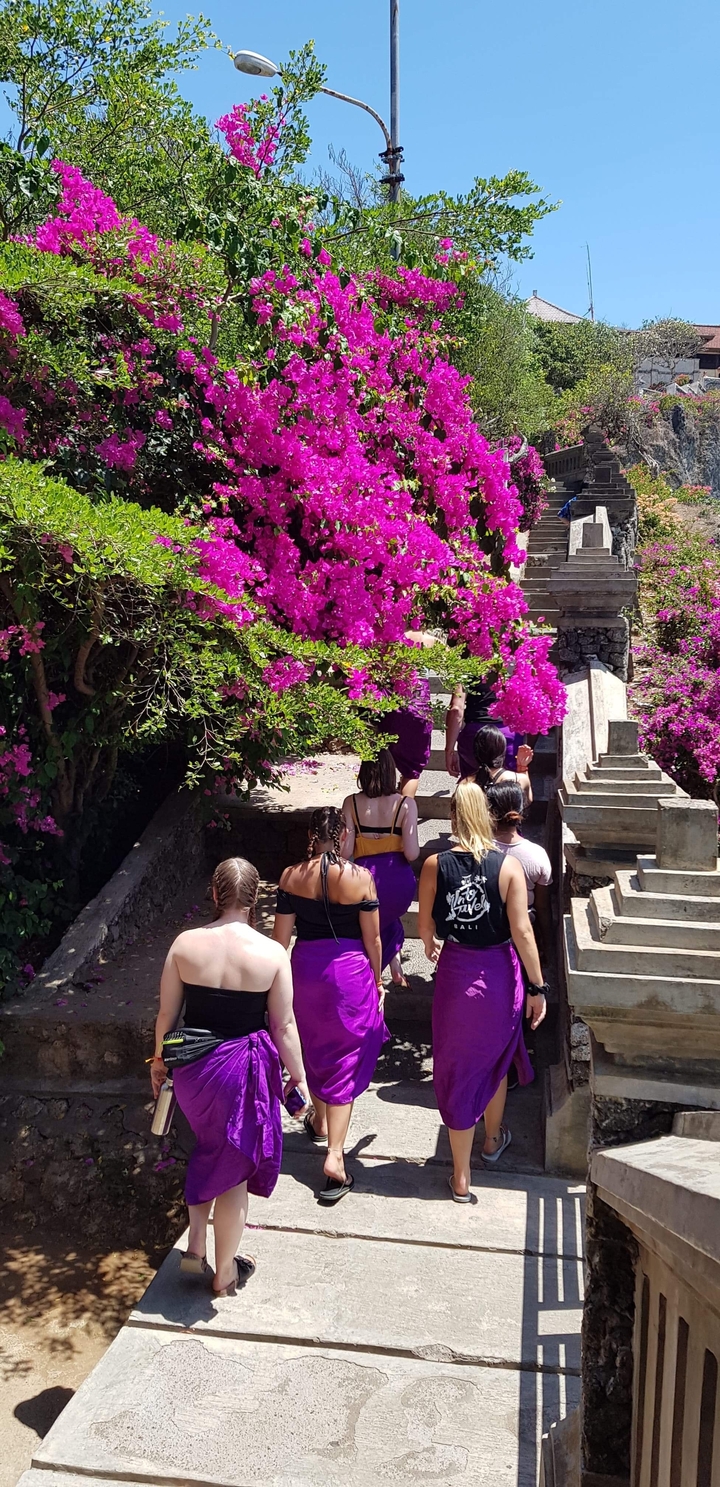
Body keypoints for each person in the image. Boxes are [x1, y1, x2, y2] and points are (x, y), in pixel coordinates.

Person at [151, 857, 308, 1298]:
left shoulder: (184, 945)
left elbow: (166, 1015)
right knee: (234, 1169)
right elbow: (284, 1026)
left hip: (194, 1073)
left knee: (208, 1148)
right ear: (255, 899)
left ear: (216, 895)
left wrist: (160, 1065)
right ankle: (223, 1274)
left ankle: (197, 1239)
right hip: (242, 1072)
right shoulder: (272, 954)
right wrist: (298, 1078)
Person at [417, 780, 548, 1202]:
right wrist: (538, 986)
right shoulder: (508, 867)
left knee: (456, 1067)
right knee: (496, 1058)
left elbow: (425, 928)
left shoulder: (436, 865)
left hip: (456, 972)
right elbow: (523, 933)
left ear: (453, 816)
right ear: (489, 816)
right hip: (498, 974)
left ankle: (460, 1176)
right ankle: (491, 1142)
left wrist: (430, 945)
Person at [273, 806, 387, 1204]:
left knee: (314, 1048)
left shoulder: (290, 877)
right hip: (349, 975)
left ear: (310, 834)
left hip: (305, 971)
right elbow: (373, 940)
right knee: (344, 1057)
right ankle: (335, 1157)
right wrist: (377, 978)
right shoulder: (361, 879)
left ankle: (319, 1122)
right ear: (342, 834)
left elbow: (280, 941)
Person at [341, 748, 419, 987]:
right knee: (387, 915)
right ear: (390, 773)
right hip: (397, 880)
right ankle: (393, 963)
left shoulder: (351, 803)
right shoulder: (406, 804)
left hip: (363, 879)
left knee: (370, 920)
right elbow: (412, 853)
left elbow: (345, 852)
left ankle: (372, 973)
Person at [485, 782, 552, 958]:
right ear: (521, 810)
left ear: (488, 812)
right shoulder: (537, 855)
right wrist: (547, 943)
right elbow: (542, 906)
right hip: (524, 927)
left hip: (485, 928)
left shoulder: (477, 850)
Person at [380, 631, 436, 798]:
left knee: (385, 761)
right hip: (419, 708)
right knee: (412, 771)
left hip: (392, 704)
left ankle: (381, 816)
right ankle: (402, 817)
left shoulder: (388, 637)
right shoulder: (430, 640)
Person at [445, 680, 531, 782]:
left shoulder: (465, 667)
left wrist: (449, 750)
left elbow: (456, 709)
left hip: (474, 733)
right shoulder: (515, 666)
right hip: (507, 733)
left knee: (471, 785)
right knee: (510, 784)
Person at [473, 724, 533, 806]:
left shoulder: (467, 784)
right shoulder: (518, 779)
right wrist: (522, 767)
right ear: (503, 749)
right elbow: (527, 800)